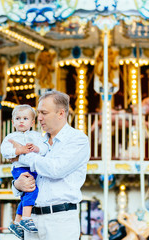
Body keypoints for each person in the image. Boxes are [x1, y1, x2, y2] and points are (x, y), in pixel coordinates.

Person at [10, 90, 90, 240]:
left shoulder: (77, 139)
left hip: (60, 219)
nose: (39, 118)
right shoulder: (37, 142)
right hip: (32, 219)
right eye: (38, 113)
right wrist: (17, 185)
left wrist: (23, 154)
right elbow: (21, 173)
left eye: (44, 113)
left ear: (60, 113)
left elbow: (56, 169)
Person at [1, 104, 48, 239]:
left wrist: (37, 149)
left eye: (25, 118)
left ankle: (16, 222)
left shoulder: (37, 136)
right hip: (19, 168)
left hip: (33, 168)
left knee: (27, 194)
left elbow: (44, 149)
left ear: (32, 122)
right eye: (18, 118)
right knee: (32, 190)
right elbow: (5, 151)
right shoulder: (11, 137)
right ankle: (26, 219)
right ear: (13, 122)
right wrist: (19, 150)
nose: (21, 121)